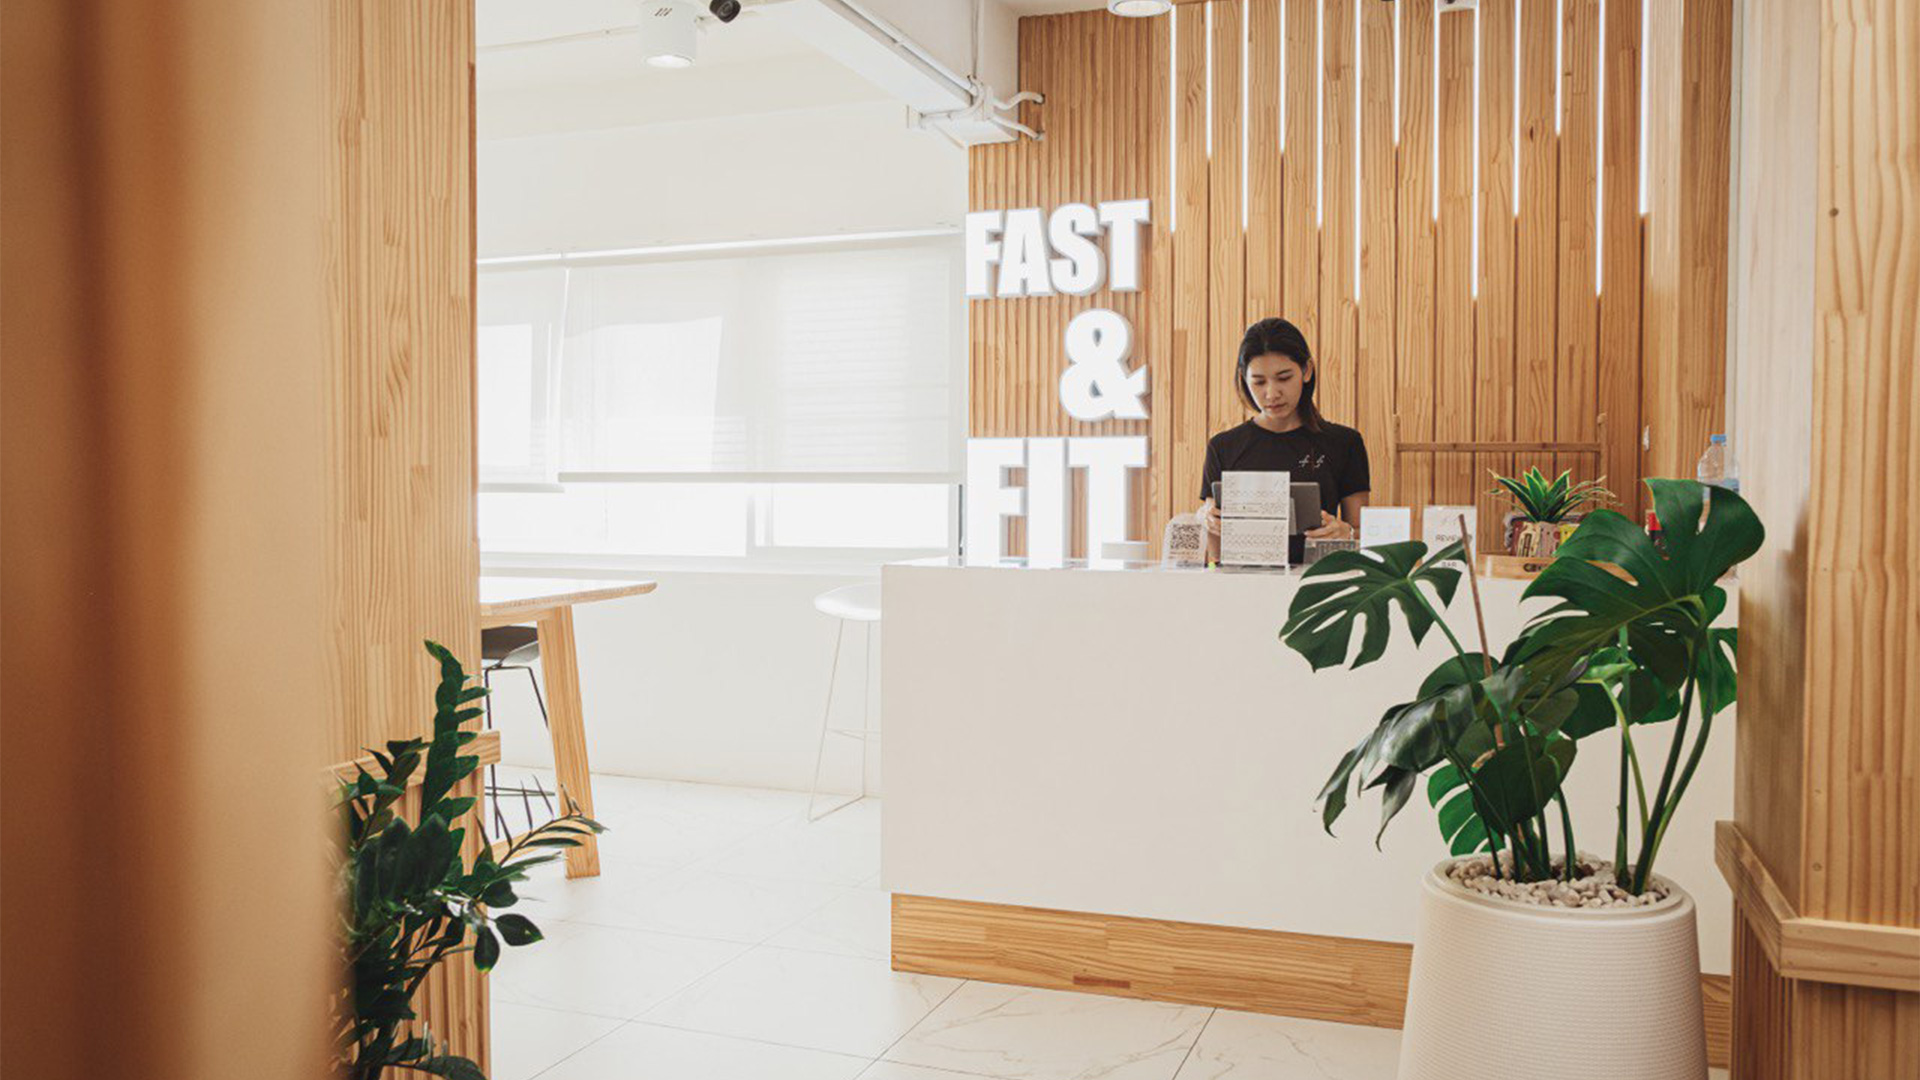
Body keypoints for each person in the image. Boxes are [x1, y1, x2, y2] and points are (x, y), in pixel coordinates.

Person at [1199, 318, 1371, 549]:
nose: (1271, 394)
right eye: (1259, 382)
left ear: (1306, 370)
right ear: (1244, 378)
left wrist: (1345, 531)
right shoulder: (1223, 447)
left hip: (1319, 580)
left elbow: (1365, 533)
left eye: (1284, 378)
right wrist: (1207, 521)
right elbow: (1217, 552)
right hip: (1241, 582)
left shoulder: (1344, 443)